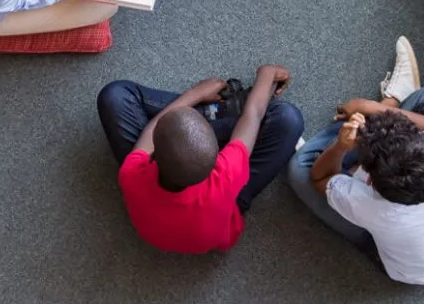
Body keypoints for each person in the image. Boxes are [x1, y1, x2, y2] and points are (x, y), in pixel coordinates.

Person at [287, 37, 424, 285]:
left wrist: (342, 146)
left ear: (369, 180)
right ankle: (387, 106)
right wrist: (368, 107)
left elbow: (319, 178)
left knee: (300, 169)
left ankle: (379, 112)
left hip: (402, 267)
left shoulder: (370, 207)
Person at [97, 66, 305, 254]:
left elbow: (155, 127)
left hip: (164, 214)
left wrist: (196, 93)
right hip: (226, 204)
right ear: (218, 157)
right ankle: (217, 117)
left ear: (152, 155)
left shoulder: (132, 173)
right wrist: (266, 74)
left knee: (115, 95)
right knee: (288, 119)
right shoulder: (225, 174)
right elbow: (254, 115)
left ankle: (206, 115)